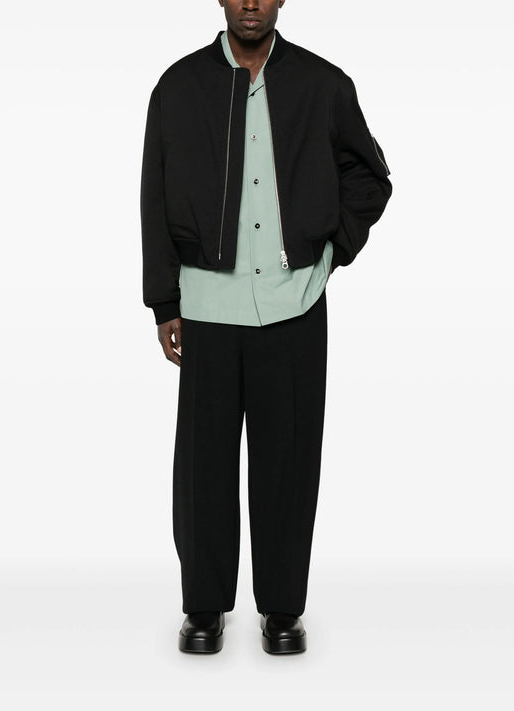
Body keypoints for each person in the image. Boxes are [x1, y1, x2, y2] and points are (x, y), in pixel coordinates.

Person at [140, 0, 392, 655]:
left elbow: (370, 177)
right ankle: (203, 608)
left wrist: (329, 248)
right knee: (203, 470)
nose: (250, 2)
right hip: (206, 305)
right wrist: (163, 300)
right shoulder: (178, 86)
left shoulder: (323, 84)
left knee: (289, 466)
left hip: (294, 302)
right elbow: (154, 194)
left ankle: (282, 609)